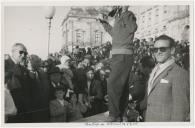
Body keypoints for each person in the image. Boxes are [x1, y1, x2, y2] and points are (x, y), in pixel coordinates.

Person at [99, 6, 137, 121]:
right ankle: (122, 114)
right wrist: (104, 23)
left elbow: (132, 28)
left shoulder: (128, 14)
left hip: (123, 54)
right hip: (118, 55)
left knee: (112, 83)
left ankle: (114, 114)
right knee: (123, 85)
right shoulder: (118, 18)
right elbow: (114, 34)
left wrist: (125, 11)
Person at [145, 35, 190, 122]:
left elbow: (180, 112)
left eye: (162, 49)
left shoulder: (179, 74)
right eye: (155, 50)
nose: (158, 52)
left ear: (172, 50)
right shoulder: (155, 70)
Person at [5, 43, 33, 123]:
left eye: (25, 53)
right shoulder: (4, 65)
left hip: (23, 111)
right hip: (9, 112)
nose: (24, 55)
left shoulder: (23, 69)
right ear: (13, 52)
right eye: (21, 52)